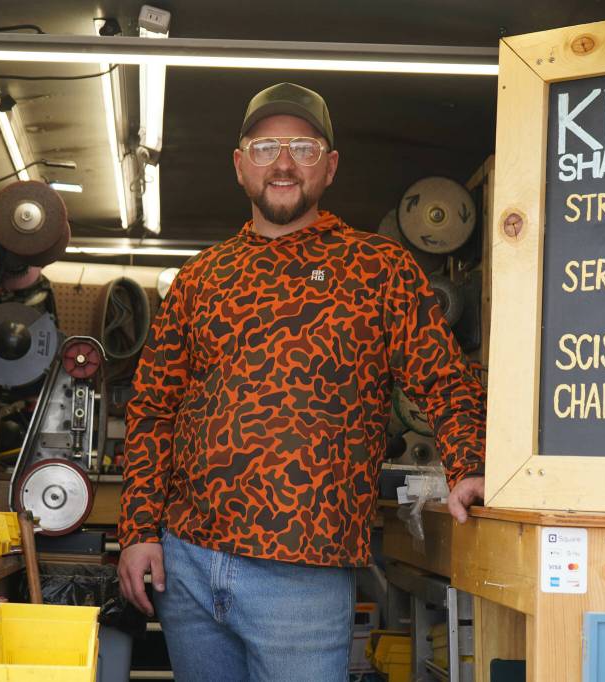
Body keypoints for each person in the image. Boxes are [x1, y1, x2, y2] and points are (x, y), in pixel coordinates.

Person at [118, 82, 486, 681]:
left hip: (304, 575)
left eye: (304, 148)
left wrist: (470, 466)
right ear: (240, 166)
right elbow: (153, 410)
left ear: (330, 166)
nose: (284, 163)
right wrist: (138, 530)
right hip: (187, 562)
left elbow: (445, 380)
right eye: (265, 149)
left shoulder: (378, 268)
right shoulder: (199, 278)